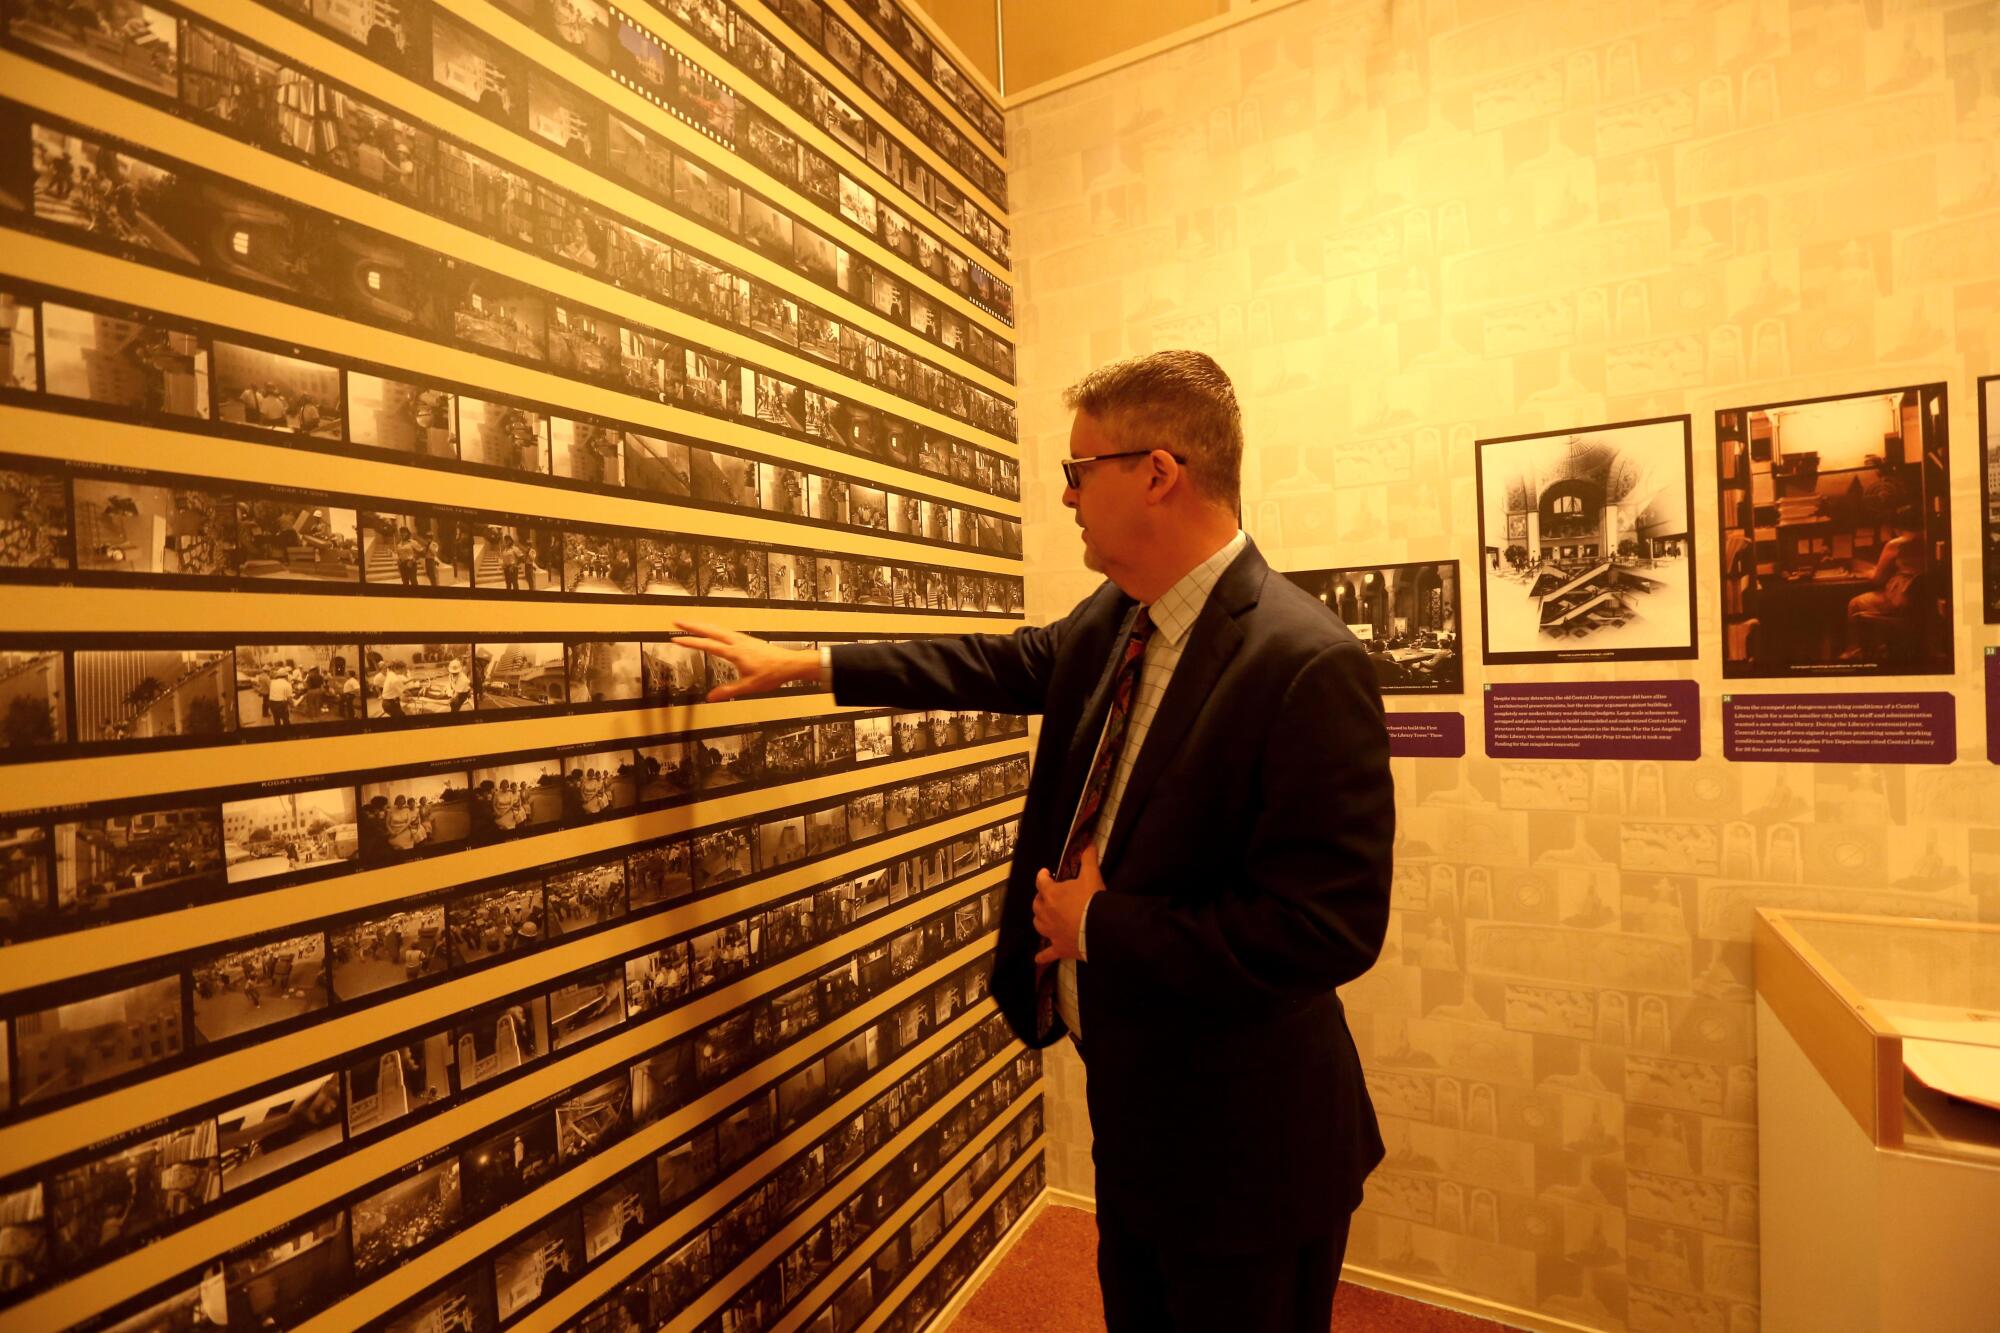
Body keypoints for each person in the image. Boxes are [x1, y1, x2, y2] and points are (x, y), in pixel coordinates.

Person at [671, 351, 1393, 1333]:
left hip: (1246, 1146)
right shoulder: (1116, 621)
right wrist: (805, 664)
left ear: (1156, 472)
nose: (1062, 493)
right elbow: (990, 661)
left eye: (1077, 469)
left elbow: (1326, 929)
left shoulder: (1305, 662)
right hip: (1134, 1104)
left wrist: (1103, 927)